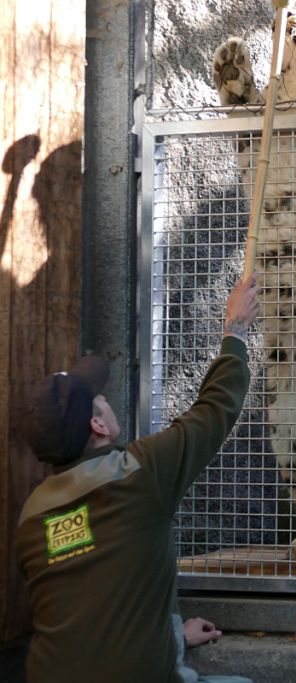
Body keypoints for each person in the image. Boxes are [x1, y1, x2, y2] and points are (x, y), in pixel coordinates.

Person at [14, 275, 260, 683]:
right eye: (100, 398)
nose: (107, 399)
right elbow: (215, 409)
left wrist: (172, 639)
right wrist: (234, 329)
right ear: (98, 424)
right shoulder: (138, 476)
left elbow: (91, 610)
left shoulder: (30, 520)